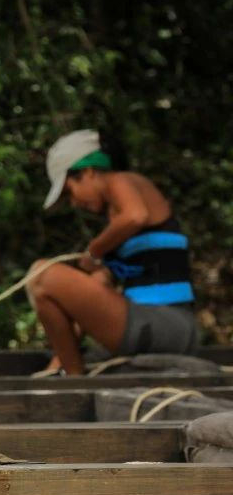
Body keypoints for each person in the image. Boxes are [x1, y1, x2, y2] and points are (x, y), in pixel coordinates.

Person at [29, 129, 200, 376]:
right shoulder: (116, 224)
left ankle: (74, 379)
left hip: (167, 323)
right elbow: (92, 295)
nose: (74, 203)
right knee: (45, 286)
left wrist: (93, 251)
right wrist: (60, 359)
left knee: (42, 275)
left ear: (88, 172)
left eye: (69, 191)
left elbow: (135, 215)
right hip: (152, 326)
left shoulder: (122, 181)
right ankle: (70, 374)